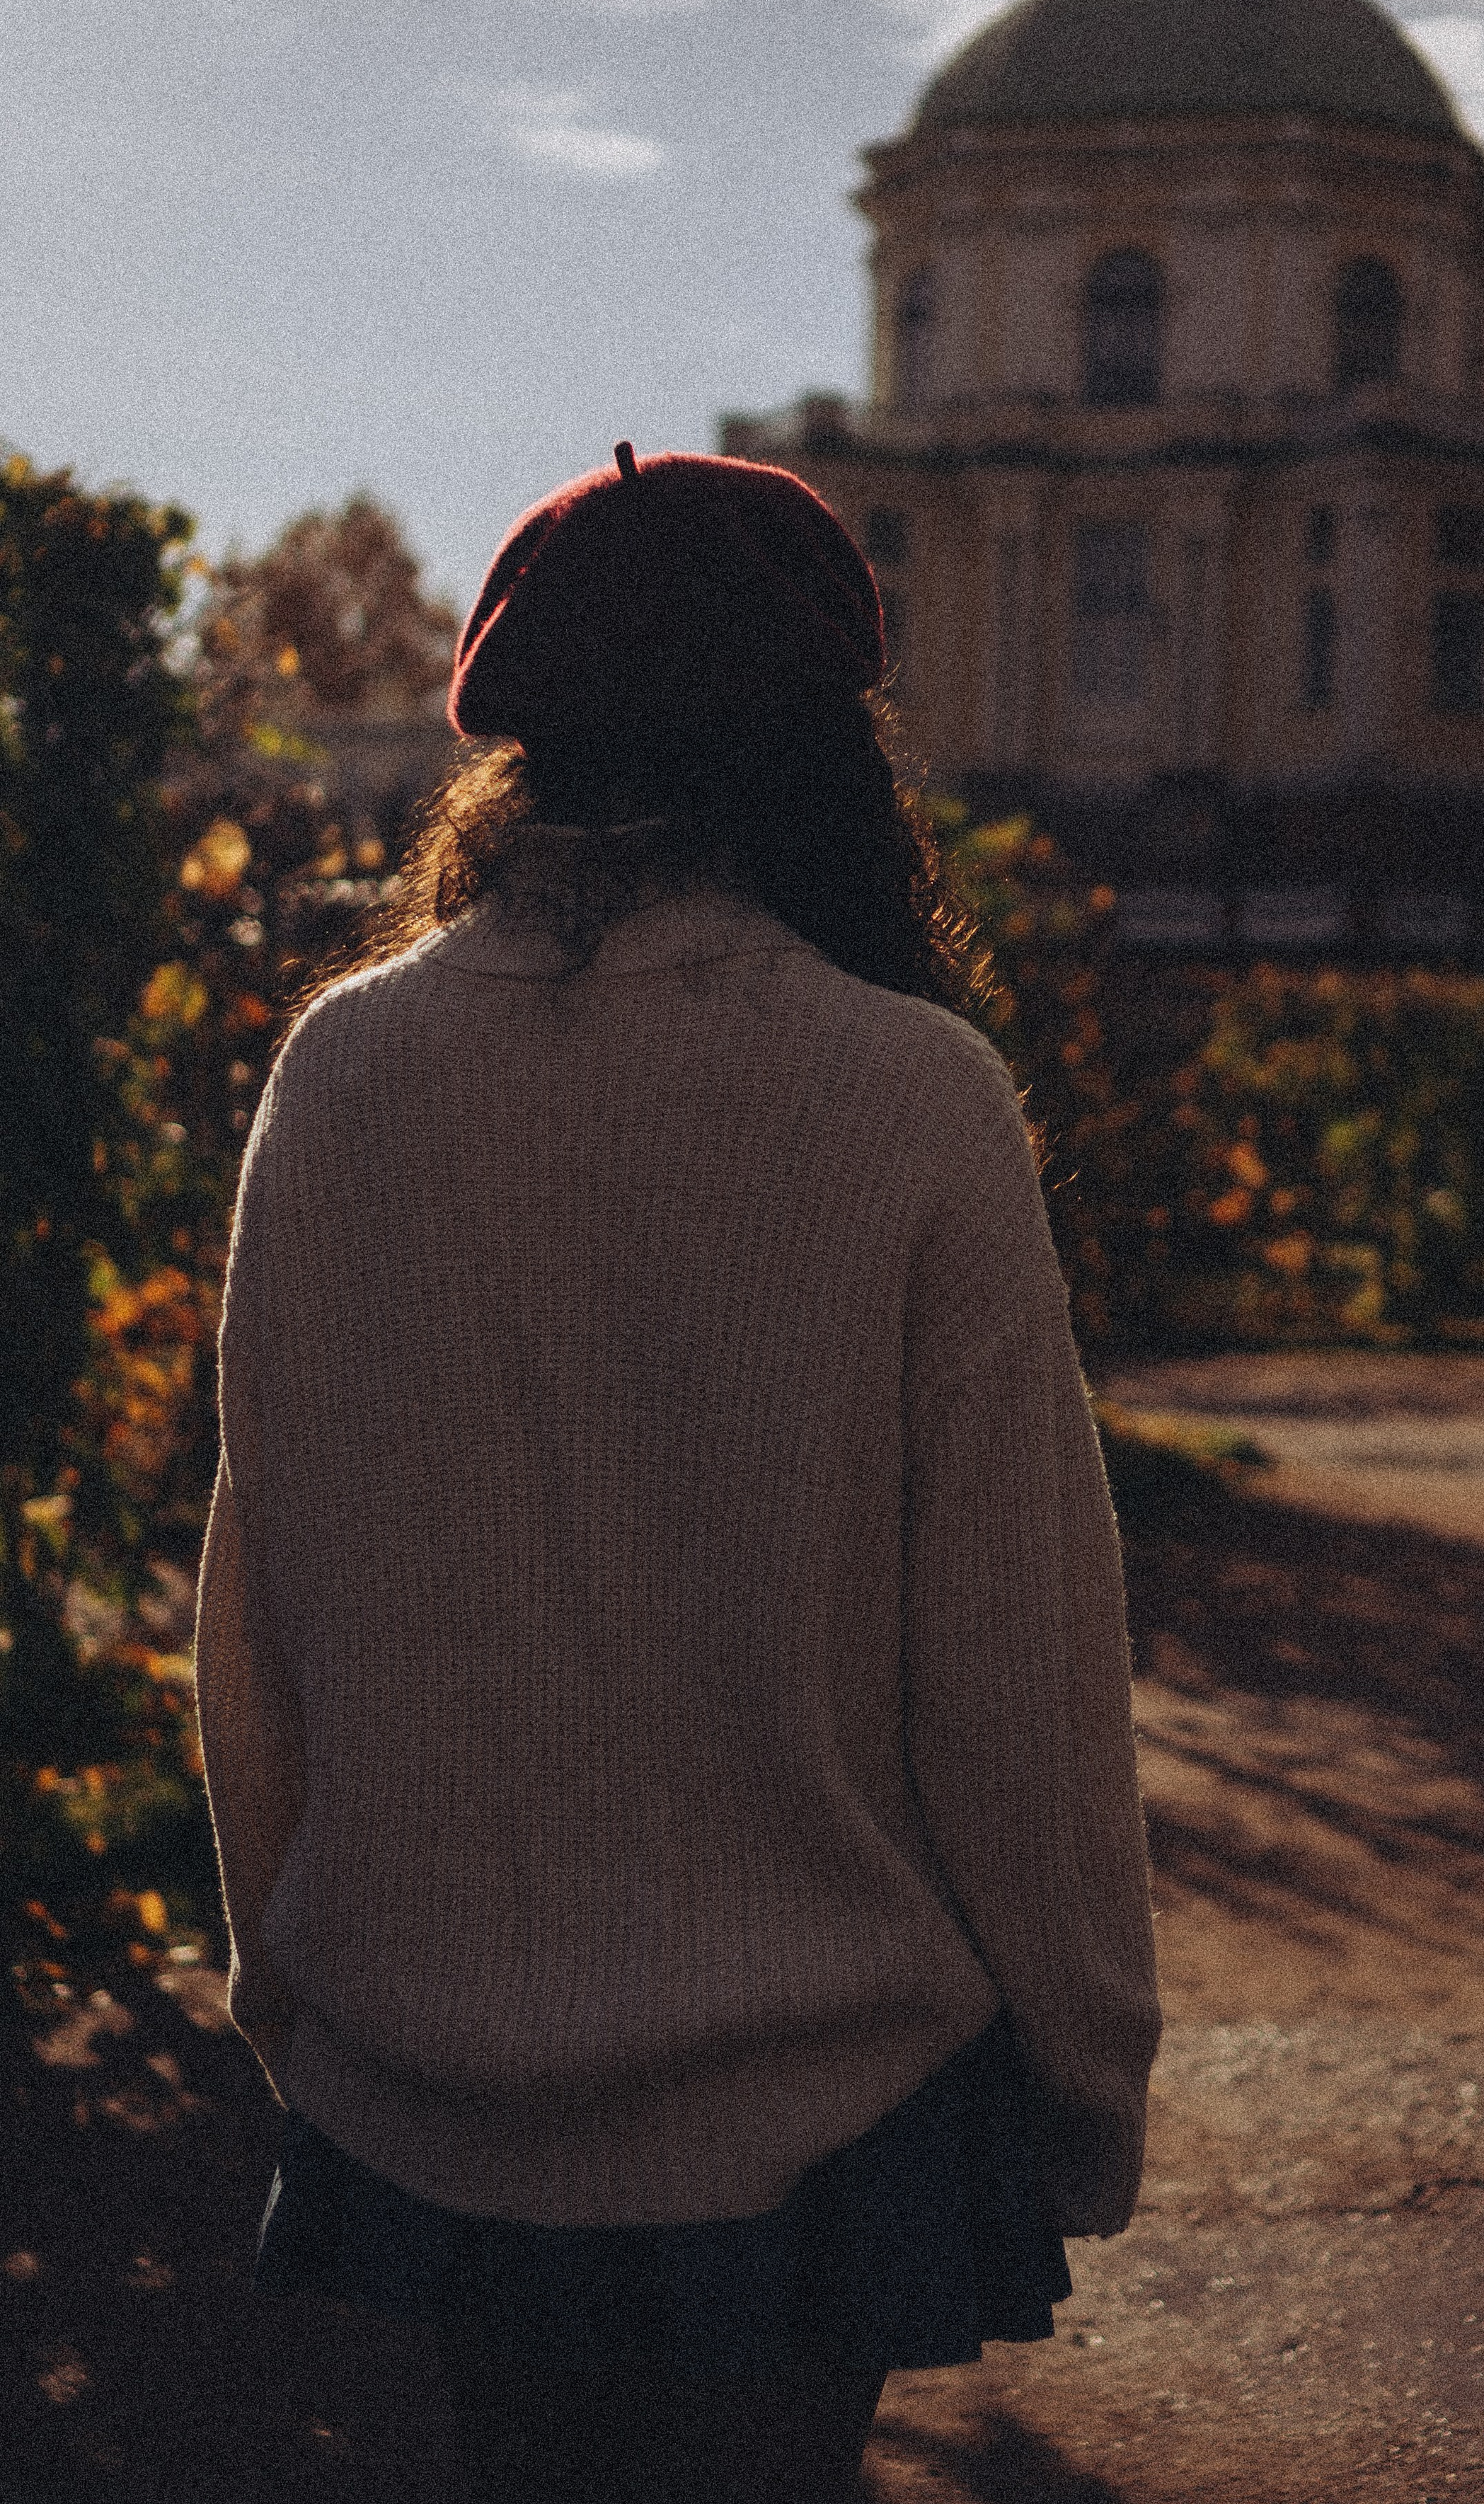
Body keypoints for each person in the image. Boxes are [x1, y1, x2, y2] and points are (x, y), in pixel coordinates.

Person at [194, 447, 1161, 2503]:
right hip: (807, 2113)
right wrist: (1085, 2077)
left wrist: (302, 1999)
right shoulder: (913, 1098)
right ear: (827, 754)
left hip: (428, 2083)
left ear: (508, 743)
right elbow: (1019, 1672)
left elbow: (254, 1604)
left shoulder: (341, 1072)